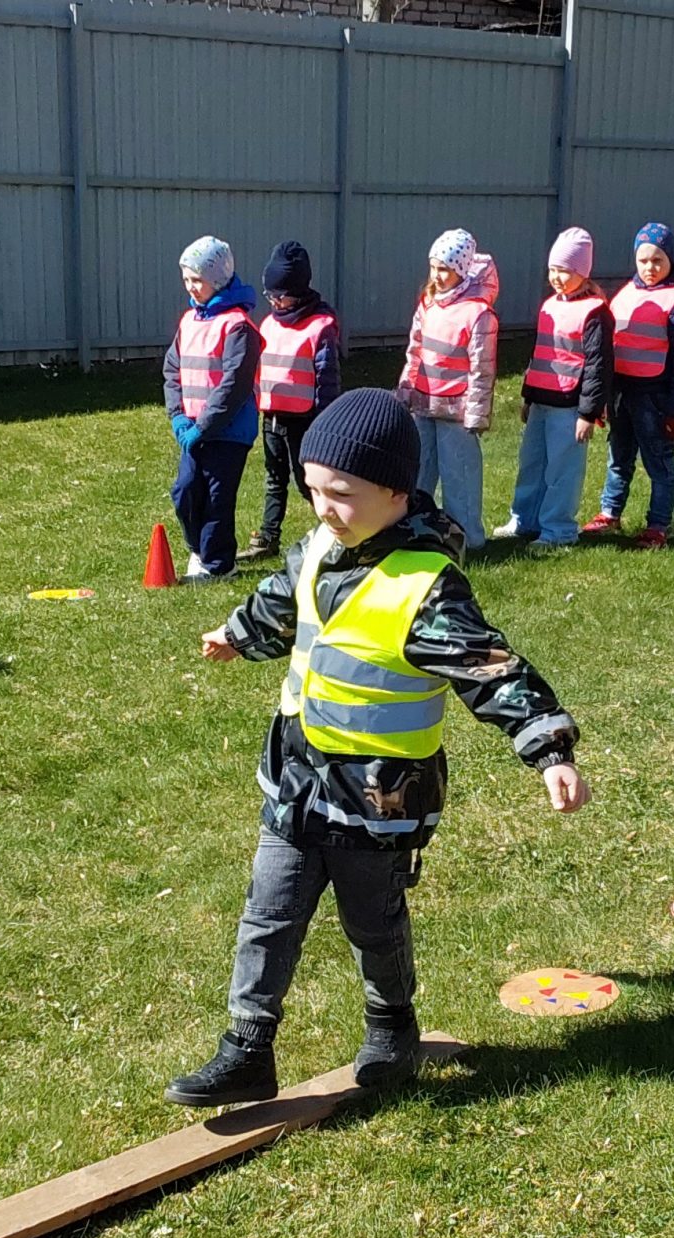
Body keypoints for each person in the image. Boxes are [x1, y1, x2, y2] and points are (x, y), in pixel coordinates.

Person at [170, 390, 587, 1107]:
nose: (323, 507)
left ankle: (392, 1027)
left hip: (378, 799)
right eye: (312, 490)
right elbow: (282, 598)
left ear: (396, 493)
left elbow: (492, 670)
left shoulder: (426, 587)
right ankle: (247, 1047)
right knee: (268, 914)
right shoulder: (318, 546)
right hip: (297, 780)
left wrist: (549, 748)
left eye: (341, 493)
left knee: (374, 923)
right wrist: (238, 635)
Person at [494, 227, 612, 548]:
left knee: (562, 471)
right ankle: (524, 520)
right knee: (531, 465)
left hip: (569, 407)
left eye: (565, 271)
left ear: (582, 272)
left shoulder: (595, 312)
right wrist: (528, 396)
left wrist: (588, 413)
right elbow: (539, 354)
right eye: (553, 269)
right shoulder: (549, 305)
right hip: (541, 402)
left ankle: (558, 529)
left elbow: (598, 366)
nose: (557, 277)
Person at [587, 222, 674, 548]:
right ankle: (610, 513)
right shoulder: (626, 293)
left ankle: (658, 525)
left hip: (655, 396)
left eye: (658, 260)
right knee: (618, 456)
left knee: (659, 461)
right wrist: (602, 396)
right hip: (621, 392)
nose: (650, 268)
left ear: (670, 260)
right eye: (643, 260)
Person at [163, 235, 262, 580]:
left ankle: (220, 565)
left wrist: (203, 426)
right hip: (192, 428)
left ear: (217, 280)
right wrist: (178, 415)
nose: (190, 287)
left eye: (197, 280)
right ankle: (200, 550)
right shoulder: (189, 321)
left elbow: (234, 385)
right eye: (186, 279)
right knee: (186, 490)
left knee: (217, 497)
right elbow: (172, 369)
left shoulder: (238, 326)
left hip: (229, 431)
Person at [240, 241, 344, 563]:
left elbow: (327, 379)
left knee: (308, 482)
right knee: (274, 479)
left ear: (298, 292)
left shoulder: (320, 326)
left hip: (305, 420)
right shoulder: (269, 324)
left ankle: (338, 533)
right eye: (270, 295)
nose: (274, 301)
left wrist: (325, 421)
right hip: (273, 417)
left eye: (280, 295)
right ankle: (268, 537)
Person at [396, 229, 499, 549]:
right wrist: (406, 390)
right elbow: (415, 352)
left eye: (445, 269)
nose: (437, 276)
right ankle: (416, 528)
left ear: (462, 269)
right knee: (419, 471)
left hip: (456, 412)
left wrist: (476, 414)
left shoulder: (478, 313)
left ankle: (467, 538)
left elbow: (482, 369)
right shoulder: (427, 304)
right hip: (423, 405)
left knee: (460, 476)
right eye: (433, 267)